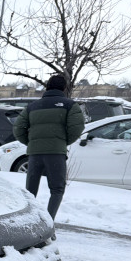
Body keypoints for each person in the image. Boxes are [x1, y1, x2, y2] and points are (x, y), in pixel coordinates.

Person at [13, 74, 85, 219]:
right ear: (64, 88)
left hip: (35, 153)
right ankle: (48, 223)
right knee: (57, 189)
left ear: (47, 87)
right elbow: (77, 128)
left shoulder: (32, 107)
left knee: (30, 191)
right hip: (56, 153)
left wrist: (33, 142)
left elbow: (18, 129)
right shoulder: (70, 105)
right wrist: (62, 142)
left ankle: (29, 221)